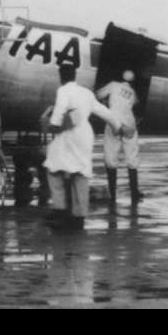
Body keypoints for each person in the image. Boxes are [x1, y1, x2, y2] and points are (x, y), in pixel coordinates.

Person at [42, 63, 120, 224]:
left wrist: (54, 124)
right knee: (81, 173)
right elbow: (104, 112)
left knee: (53, 168)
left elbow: (61, 108)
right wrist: (118, 126)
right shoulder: (87, 93)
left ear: (61, 76)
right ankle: (79, 215)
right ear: (74, 76)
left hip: (67, 135)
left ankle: (59, 209)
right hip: (84, 134)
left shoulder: (63, 90)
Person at [96, 69, 144, 204]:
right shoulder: (133, 93)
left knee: (111, 156)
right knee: (132, 156)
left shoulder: (113, 85)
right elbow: (137, 104)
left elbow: (98, 94)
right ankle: (134, 192)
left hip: (114, 122)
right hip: (129, 122)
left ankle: (112, 193)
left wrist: (106, 103)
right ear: (132, 82)